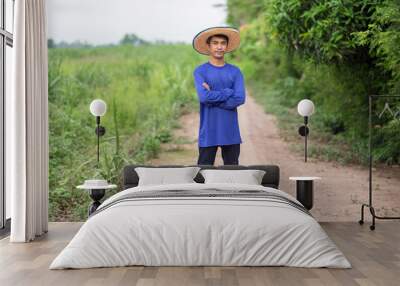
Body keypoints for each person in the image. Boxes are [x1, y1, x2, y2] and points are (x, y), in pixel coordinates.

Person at [192, 26, 246, 165]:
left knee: (232, 174)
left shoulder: (235, 72)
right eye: (215, 43)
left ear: (227, 46)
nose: (219, 47)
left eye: (222, 43)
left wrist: (212, 97)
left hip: (231, 133)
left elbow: (240, 98)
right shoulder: (200, 71)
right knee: (202, 173)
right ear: (209, 46)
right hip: (209, 132)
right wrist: (227, 92)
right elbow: (203, 98)